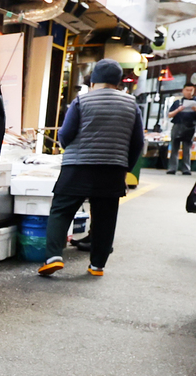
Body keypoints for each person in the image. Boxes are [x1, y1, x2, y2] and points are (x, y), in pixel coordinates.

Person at [37, 59, 143, 278]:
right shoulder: (131, 104)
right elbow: (137, 142)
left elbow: (65, 135)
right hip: (113, 169)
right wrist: (125, 167)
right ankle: (97, 266)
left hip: (78, 166)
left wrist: (71, 148)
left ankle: (53, 257)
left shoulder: (81, 101)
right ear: (119, 82)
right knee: (105, 216)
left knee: (61, 210)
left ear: (93, 80)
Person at [166, 82, 195, 175]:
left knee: (187, 148)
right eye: (187, 90)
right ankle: (172, 168)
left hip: (190, 127)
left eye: (191, 90)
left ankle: (186, 169)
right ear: (183, 91)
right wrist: (178, 110)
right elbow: (169, 115)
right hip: (177, 125)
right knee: (174, 147)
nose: (189, 92)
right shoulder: (177, 102)